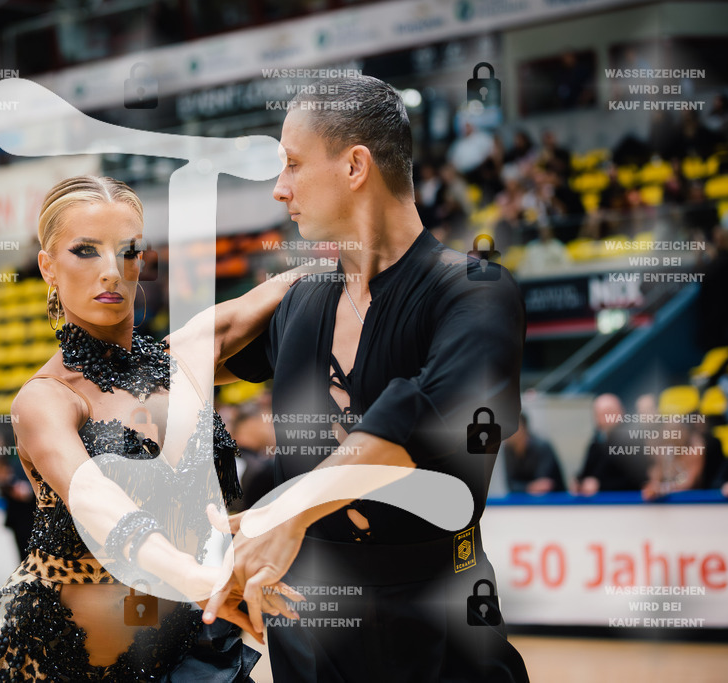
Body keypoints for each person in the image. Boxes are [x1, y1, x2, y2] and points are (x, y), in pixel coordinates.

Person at [208, 76, 529, 682]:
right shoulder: (300, 302)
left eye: (294, 165)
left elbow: (422, 422)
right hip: (307, 628)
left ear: (355, 165)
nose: (280, 190)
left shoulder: (475, 292)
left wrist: (286, 512)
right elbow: (171, 363)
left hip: (441, 630)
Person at [0, 175, 313, 682]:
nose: (111, 272)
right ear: (47, 267)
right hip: (45, 664)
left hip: (188, 647)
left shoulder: (186, 357)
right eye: (85, 251)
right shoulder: (47, 399)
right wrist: (196, 578)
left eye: (127, 251)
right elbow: (95, 499)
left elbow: (306, 282)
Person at [573, 393, 648, 495]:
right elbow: (586, 473)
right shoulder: (595, 443)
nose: (607, 418)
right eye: (601, 414)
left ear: (621, 412)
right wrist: (579, 483)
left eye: (610, 412)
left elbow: (638, 481)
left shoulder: (632, 442)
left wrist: (600, 486)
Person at [500, 414, 566, 495]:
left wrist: (526, 487)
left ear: (522, 428)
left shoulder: (542, 446)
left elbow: (543, 485)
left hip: (555, 500)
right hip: (525, 500)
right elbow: (511, 485)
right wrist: (529, 487)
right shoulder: (508, 449)